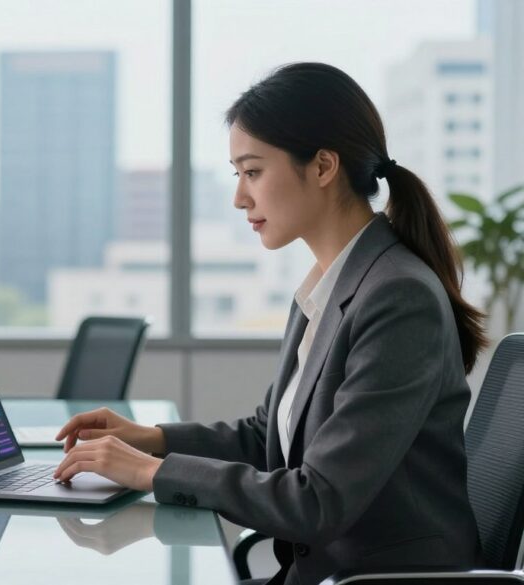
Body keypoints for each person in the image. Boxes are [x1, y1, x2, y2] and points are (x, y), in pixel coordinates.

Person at [53, 63, 486, 585]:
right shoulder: (329, 284)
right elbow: (269, 438)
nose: (239, 197)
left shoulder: (397, 297)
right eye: (237, 174)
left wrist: (149, 472)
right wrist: (151, 439)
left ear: (323, 166)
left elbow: (318, 499)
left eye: (252, 172)